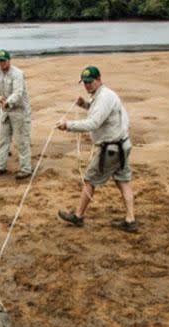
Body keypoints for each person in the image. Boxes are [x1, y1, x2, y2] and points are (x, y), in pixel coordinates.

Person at [57, 65, 137, 232]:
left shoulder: (104, 97)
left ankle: (78, 216)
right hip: (121, 145)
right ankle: (130, 220)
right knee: (123, 181)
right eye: (85, 82)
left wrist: (68, 125)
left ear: (99, 79)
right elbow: (101, 113)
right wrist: (85, 105)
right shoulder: (101, 95)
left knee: (89, 180)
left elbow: (94, 122)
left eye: (90, 82)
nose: (87, 85)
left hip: (111, 149)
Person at [0, 50, 32, 179]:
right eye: (0, 61)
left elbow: (18, 93)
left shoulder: (17, 74)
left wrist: (7, 102)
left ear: (9, 60)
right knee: (2, 141)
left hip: (19, 111)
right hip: (4, 111)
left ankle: (26, 169)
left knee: (21, 141)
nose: (2, 63)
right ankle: (0, 167)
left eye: (4, 60)